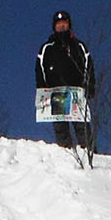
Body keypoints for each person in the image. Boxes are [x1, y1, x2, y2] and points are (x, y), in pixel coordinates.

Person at [35, 10, 95, 153]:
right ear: (54, 27)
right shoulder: (47, 48)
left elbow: (89, 67)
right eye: (59, 24)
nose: (61, 27)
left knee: (83, 128)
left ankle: (90, 155)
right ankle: (66, 154)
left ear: (69, 25)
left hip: (77, 93)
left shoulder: (79, 46)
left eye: (64, 24)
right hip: (57, 93)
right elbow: (40, 70)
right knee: (61, 128)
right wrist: (42, 90)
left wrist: (90, 86)